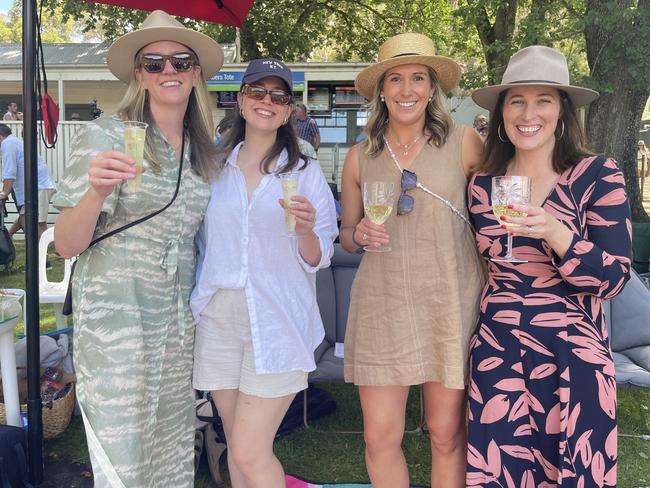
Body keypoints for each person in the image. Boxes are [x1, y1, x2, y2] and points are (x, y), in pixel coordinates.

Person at [51, 10, 223, 487]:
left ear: (195, 73)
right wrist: (96, 193)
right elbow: (66, 244)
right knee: (123, 451)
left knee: (170, 448)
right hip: (117, 318)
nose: (169, 71)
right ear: (139, 75)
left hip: (175, 319)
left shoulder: (204, 148)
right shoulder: (107, 134)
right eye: (154, 62)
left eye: (180, 62)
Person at [466, 45, 632, 486]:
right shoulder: (482, 185)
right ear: (502, 113)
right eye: (517, 100)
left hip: (573, 351)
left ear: (562, 110)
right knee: (501, 469)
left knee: (576, 471)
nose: (528, 113)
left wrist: (557, 234)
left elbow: (615, 277)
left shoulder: (598, 175)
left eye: (543, 100)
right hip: (497, 347)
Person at [340, 33, 485, 488]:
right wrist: (357, 233)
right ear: (381, 90)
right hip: (383, 306)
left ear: (431, 88)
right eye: (396, 79)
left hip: (450, 302)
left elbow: (494, 219)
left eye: (418, 78)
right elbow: (346, 236)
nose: (407, 90)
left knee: (446, 434)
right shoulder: (359, 156)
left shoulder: (466, 143)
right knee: (380, 437)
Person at [190, 58, 338, 488]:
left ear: (290, 109)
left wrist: (307, 231)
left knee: (249, 452)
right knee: (238, 446)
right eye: (257, 91)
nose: (266, 101)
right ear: (240, 100)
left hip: (277, 320)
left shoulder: (305, 174)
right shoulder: (214, 168)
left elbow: (319, 257)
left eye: (278, 95)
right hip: (218, 319)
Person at [0, 124, 56, 240]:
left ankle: (44, 252)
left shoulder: (8, 144)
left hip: (38, 186)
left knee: (33, 222)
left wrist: (4, 193)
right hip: (39, 186)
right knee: (25, 218)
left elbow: (10, 172)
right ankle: (8, 238)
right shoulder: (14, 142)